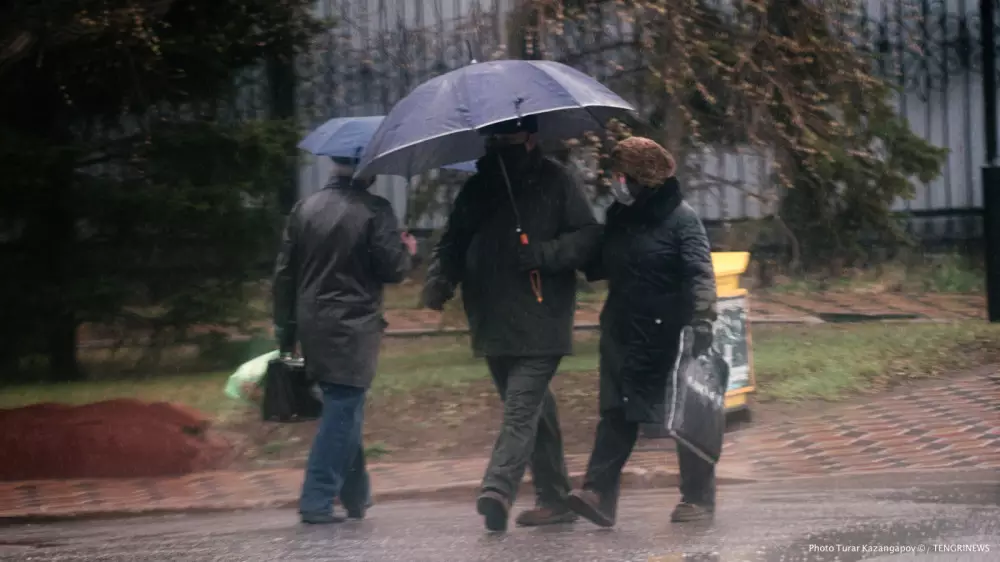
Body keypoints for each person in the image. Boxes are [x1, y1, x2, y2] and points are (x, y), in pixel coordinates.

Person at [422, 115, 602, 531]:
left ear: (531, 138)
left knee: (521, 409)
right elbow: (453, 242)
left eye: (510, 135)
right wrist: (440, 278)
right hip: (491, 317)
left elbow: (588, 236)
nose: (501, 142)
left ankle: (498, 489)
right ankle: (555, 499)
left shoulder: (557, 181)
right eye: (496, 136)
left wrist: (543, 254)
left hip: (542, 316)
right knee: (535, 409)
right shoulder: (478, 187)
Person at [566, 136, 719, 527]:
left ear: (641, 177)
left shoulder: (681, 218)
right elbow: (601, 263)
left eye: (621, 175)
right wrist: (577, 244)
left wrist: (703, 318)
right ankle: (598, 494)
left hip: (667, 334)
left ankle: (698, 498)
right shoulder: (620, 216)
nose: (615, 182)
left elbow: (700, 272)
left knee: (684, 415)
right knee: (616, 412)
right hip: (621, 330)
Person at [273, 156, 417, 525]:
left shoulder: (305, 208)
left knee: (344, 406)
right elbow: (392, 269)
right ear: (367, 169)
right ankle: (317, 499)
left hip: (311, 322)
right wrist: (407, 250)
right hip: (353, 325)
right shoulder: (375, 210)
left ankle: (356, 495)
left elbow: (285, 275)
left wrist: (286, 332)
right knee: (342, 409)